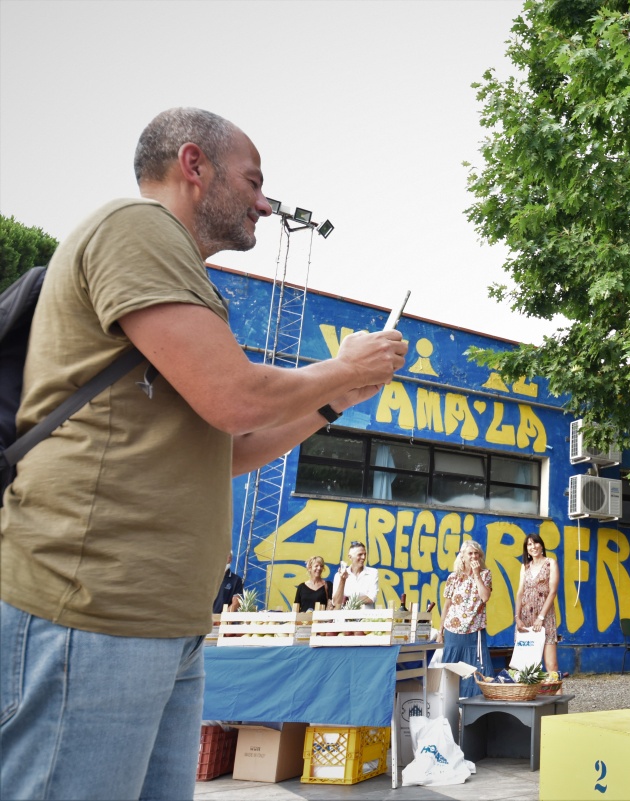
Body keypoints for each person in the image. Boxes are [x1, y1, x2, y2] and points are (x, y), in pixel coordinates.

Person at [0, 107, 408, 800]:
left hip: (164, 625)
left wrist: (336, 400)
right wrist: (341, 367)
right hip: (92, 613)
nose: (265, 204)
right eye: (253, 181)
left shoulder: (183, 279)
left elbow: (231, 448)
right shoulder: (136, 228)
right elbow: (235, 397)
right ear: (194, 165)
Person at [437, 538, 493, 696]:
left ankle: (477, 702)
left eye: (477, 553)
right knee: (451, 668)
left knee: (478, 668)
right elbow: (447, 605)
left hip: (475, 630)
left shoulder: (485, 574)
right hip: (453, 630)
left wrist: (476, 575)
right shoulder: (453, 577)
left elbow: (485, 597)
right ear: (462, 556)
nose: (474, 556)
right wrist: (440, 632)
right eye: (470, 553)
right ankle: (449, 702)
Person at [515, 532, 561, 671]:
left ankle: (555, 686)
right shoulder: (525, 567)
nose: (533, 546)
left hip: (545, 616)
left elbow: (552, 592)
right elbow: (520, 593)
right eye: (529, 544)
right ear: (526, 549)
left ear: (541, 546)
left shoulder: (550, 563)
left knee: (551, 664)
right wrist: (517, 618)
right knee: (527, 666)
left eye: (535, 543)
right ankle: (530, 687)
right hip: (525, 617)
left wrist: (541, 617)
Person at [331, 540, 378, 608]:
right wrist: (342, 580)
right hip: (346, 615)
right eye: (360, 554)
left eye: (365, 554)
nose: (363, 557)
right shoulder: (339, 575)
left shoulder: (373, 572)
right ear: (350, 557)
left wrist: (347, 599)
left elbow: (371, 598)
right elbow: (336, 602)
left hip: (365, 614)